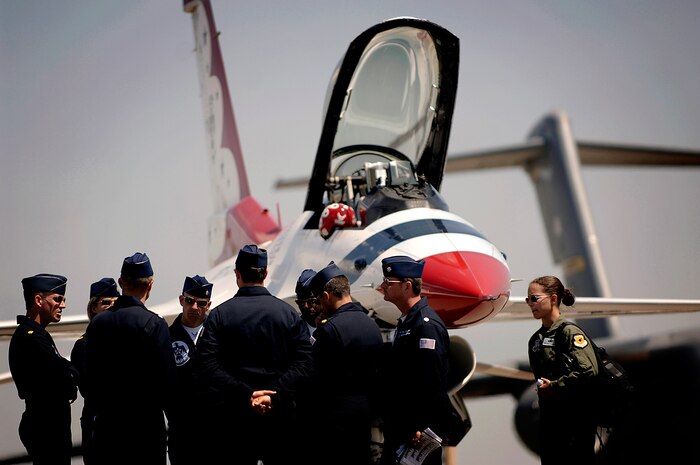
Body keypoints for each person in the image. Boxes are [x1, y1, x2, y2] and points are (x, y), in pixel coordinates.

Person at [196, 244, 313, 465]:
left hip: (234, 419)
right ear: (266, 274)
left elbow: (208, 365)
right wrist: (274, 392)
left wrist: (246, 393)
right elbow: (304, 364)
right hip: (280, 419)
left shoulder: (220, 315)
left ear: (237, 274)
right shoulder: (288, 314)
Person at [85, 252, 175, 465]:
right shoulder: (155, 325)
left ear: (121, 282)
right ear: (150, 285)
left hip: (108, 430)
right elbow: (168, 385)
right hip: (146, 432)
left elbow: (90, 380)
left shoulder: (97, 324)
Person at [307, 261, 384, 465]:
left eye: (319, 300)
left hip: (332, 425)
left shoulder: (328, 330)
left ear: (326, 296)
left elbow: (313, 380)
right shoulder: (372, 327)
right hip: (363, 421)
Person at [379, 256, 453, 465]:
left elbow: (430, 381)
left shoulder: (424, 326)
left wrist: (419, 425)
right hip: (402, 430)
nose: (382, 287)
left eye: (388, 283)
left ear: (407, 286)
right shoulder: (407, 322)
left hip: (416, 435)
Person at [526, 275, 598, 465]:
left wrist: (556, 386)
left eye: (534, 298)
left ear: (553, 299)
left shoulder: (569, 332)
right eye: (528, 300)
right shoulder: (535, 340)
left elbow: (589, 371)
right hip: (550, 424)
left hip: (574, 423)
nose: (530, 304)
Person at [9, 273, 78, 465]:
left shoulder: (37, 335)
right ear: (38, 300)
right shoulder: (31, 337)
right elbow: (64, 376)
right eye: (58, 299)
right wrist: (71, 376)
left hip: (49, 424)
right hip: (46, 426)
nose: (63, 305)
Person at [70, 277, 120, 465]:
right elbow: (91, 390)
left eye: (116, 303)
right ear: (93, 307)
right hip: (98, 423)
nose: (111, 307)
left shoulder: (125, 340)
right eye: (106, 303)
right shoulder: (84, 345)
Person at [167, 274, 212, 465]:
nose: (194, 307)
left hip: (215, 430)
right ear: (181, 300)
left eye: (201, 303)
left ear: (208, 305)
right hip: (181, 431)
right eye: (190, 301)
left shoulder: (217, 334)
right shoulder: (167, 337)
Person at [294, 268, 321, 341]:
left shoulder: (336, 325)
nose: (305, 306)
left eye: (311, 301)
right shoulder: (294, 331)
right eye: (301, 303)